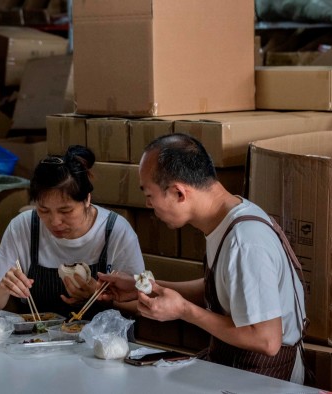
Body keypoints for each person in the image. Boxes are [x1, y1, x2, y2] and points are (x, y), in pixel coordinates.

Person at [98, 133, 307, 383]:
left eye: (150, 194)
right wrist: (145, 288)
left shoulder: (245, 241)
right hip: (235, 364)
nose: (147, 204)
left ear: (178, 192)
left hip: (267, 378)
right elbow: (222, 288)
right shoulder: (228, 218)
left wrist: (184, 311)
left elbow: (266, 340)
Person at [0, 145, 145, 319]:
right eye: (43, 210)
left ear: (87, 199)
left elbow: (140, 304)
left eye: (65, 211)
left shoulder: (115, 231)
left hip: (105, 343)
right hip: (38, 340)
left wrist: (100, 297)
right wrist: (4, 287)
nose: (55, 222)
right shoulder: (23, 226)